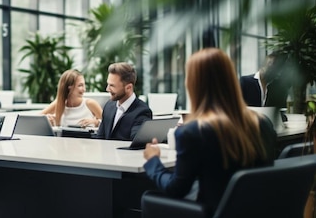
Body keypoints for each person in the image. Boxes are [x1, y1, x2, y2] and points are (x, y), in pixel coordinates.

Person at [143, 48, 277, 216]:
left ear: (193, 84)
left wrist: (153, 161)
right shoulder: (263, 124)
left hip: (212, 213)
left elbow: (176, 189)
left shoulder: (193, 132)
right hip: (255, 212)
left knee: (148, 197)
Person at [95, 62, 152, 140]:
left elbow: (136, 142)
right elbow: (100, 138)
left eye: (112, 85)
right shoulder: (109, 106)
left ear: (128, 87)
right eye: (108, 84)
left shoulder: (142, 112)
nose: (107, 89)